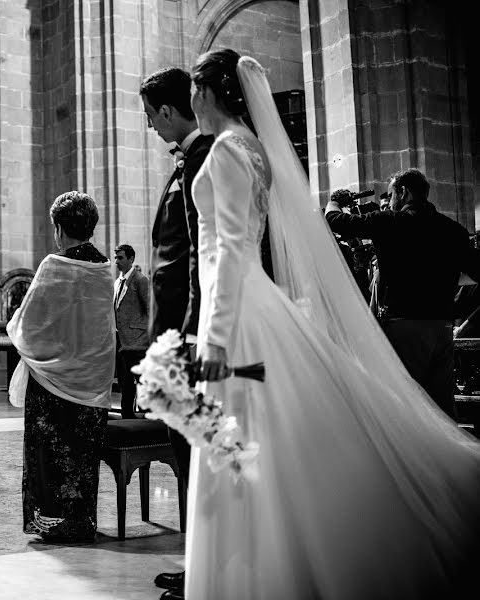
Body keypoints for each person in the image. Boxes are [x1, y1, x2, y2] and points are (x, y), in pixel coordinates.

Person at [171, 48, 480, 599]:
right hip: (257, 304)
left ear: (207, 92)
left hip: (238, 313)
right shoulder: (255, 150)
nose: (191, 98)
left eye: (194, 88)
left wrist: (213, 340)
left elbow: (226, 252)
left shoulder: (224, 152)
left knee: (241, 438)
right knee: (274, 437)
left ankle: (253, 573)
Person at [325, 169, 480, 417]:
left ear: (403, 191)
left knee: (403, 407)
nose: (391, 200)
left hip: (403, 328)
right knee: (442, 409)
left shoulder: (390, 222)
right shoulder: (454, 231)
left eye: (391, 194)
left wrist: (335, 200)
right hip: (441, 330)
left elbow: (334, 220)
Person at [6, 191, 115, 543]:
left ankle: (51, 522)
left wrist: (16, 325)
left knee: (49, 455)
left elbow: (30, 324)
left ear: (59, 228)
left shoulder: (55, 266)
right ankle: (81, 523)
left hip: (54, 383)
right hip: (93, 383)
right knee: (81, 458)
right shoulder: (104, 269)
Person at [140, 67, 211, 599]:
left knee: (192, 450)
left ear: (167, 110)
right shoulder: (194, 158)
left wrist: (182, 335)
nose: (150, 127)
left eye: (149, 116)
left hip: (186, 331)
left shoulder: (204, 158)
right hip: (177, 328)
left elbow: (195, 260)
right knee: (185, 449)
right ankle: (197, 560)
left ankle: (203, 566)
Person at [114, 244, 149, 418]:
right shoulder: (117, 282)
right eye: (116, 258)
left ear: (131, 259)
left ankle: (146, 419)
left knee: (141, 382)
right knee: (125, 382)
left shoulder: (140, 280)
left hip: (138, 342)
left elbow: (150, 310)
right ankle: (127, 415)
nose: (116, 261)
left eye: (120, 258)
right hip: (122, 343)